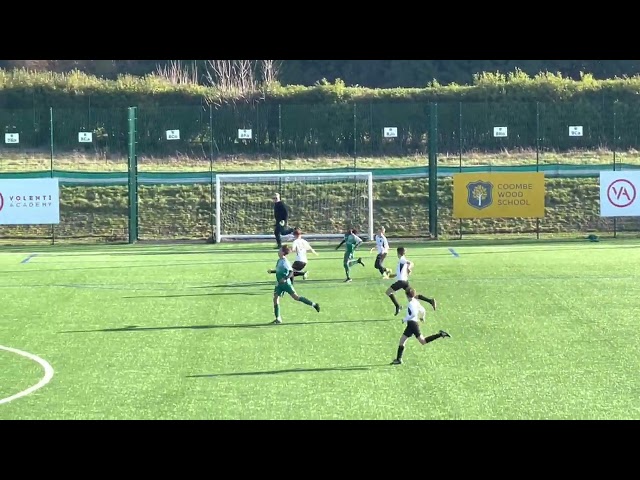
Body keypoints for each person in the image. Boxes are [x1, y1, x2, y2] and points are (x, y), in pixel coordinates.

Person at [390, 287, 450, 365]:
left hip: (413, 324)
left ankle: (440, 334)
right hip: (411, 324)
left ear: (407, 295)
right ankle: (398, 359)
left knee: (423, 341)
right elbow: (423, 310)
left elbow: (414, 314)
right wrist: (422, 317)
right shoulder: (415, 301)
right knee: (402, 340)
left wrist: (404, 319)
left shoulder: (411, 303)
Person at [271, 244, 320, 324]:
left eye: (279, 250)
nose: (278, 251)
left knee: (296, 297)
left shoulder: (285, 262)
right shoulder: (279, 261)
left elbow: (291, 272)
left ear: (283, 252)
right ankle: (278, 318)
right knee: (275, 299)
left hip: (286, 284)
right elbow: (279, 270)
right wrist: (272, 271)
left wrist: (285, 278)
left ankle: (314, 304)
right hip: (279, 284)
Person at [385, 246, 437, 316]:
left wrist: (409, 268)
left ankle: (398, 306)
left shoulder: (402, 260)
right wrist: (390, 276)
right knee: (413, 296)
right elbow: (399, 273)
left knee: (388, 292)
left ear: (398, 253)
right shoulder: (401, 261)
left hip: (401, 282)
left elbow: (411, 263)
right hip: (405, 282)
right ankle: (430, 301)